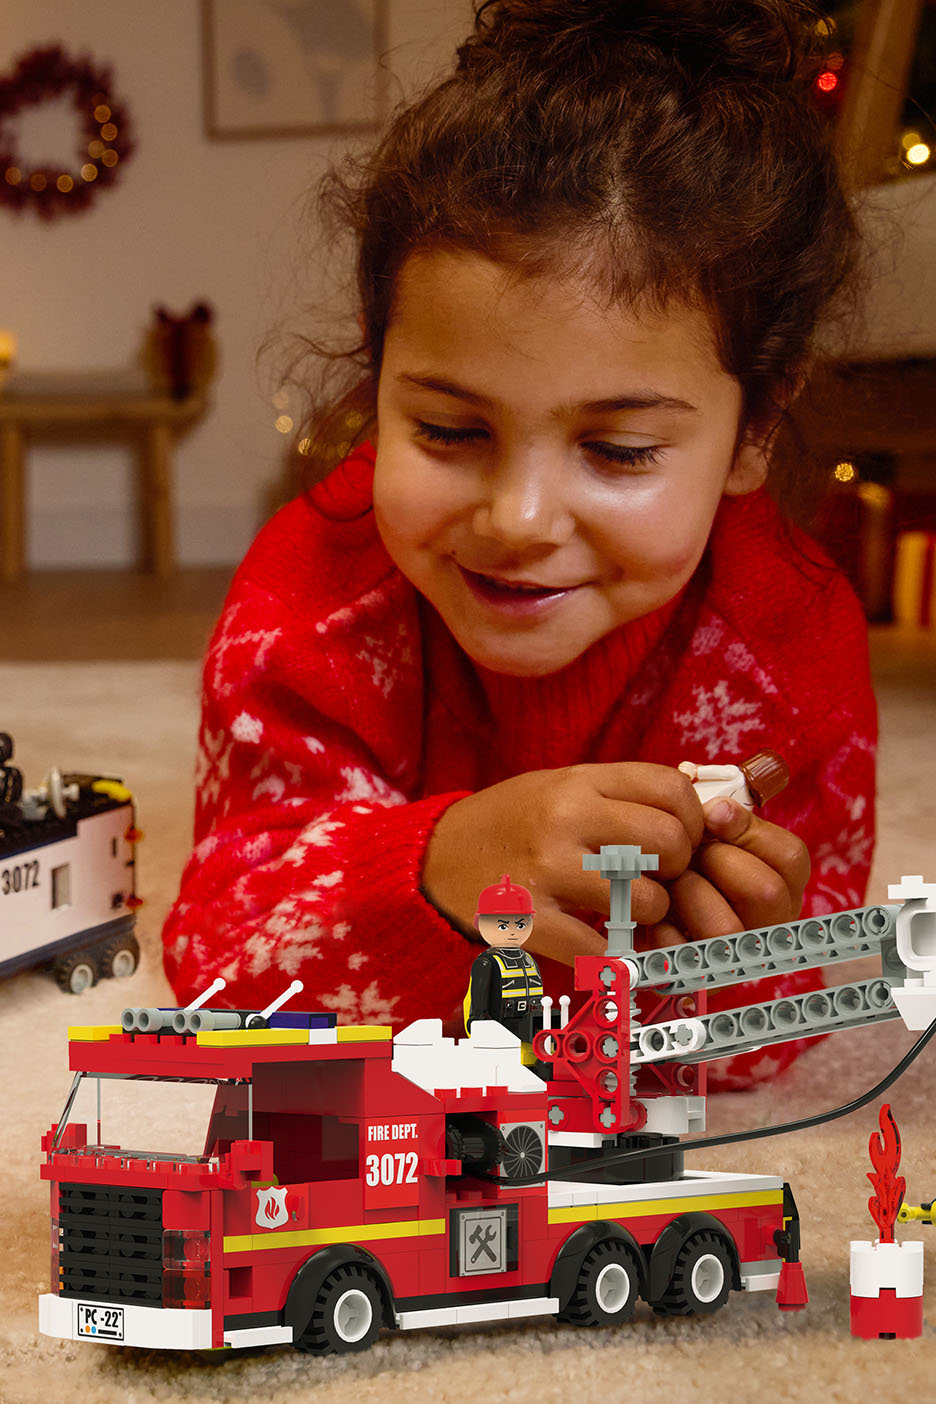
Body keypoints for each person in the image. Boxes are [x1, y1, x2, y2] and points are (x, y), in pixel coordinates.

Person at [163, 0, 877, 1090]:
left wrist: (731, 973)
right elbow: (216, 973)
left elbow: (770, 1042)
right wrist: (438, 866)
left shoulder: (792, 650)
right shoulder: (303, 611)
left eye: (619, 450)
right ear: (377, 374)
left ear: (756, 430)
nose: (519, 519)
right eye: (450, 431)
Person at [465, 874, 544, 1056]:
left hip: (531, 1030)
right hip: (499, 1035)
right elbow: (479, 1005)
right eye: (503, 926)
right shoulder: (487, 963)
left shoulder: (528, 960)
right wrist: (484, 1029)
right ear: (480, 924)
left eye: (521, 925)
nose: (513, 932)